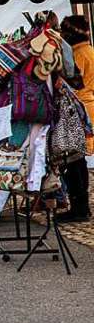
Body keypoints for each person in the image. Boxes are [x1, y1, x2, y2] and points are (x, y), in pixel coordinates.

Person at [60, 16, 93, 221]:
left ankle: (79, 208)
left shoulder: (79, 54)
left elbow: (75, 83)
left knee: (75, 161)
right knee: (77, 161)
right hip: (86, 106)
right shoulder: (87, 51)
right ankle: (80, 206)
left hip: (80, 108)